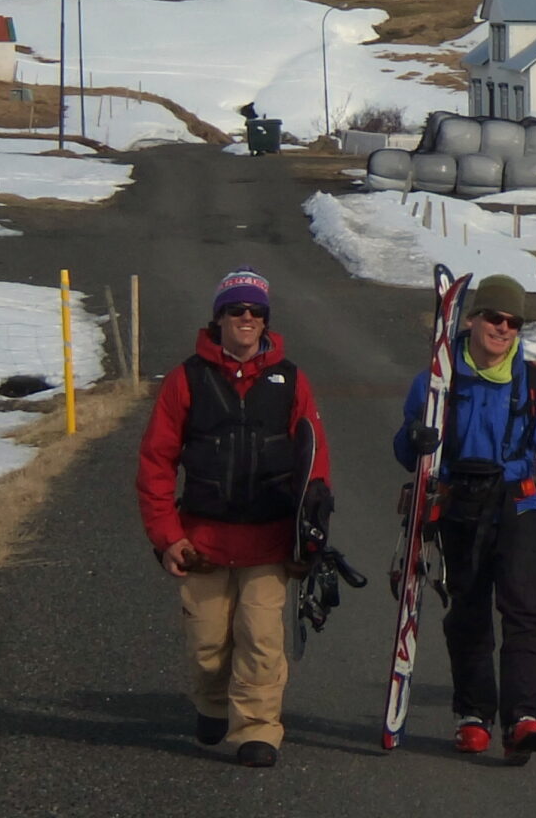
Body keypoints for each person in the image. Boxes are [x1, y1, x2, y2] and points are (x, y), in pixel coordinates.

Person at [136, 267, 331, 769]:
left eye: (256, 312)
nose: (246, 319)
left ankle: (257, 730)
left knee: (262, 641)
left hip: (269, 541)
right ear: (218, 317)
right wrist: (166, 536)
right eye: (236, 310)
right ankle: (212, 704)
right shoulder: (186, 379)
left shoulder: (292, 380)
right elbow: (157, 461)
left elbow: (315, 460)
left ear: (266, 321)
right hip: (202, 539)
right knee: (207, 643)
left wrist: (311, 530)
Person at [393, 273, 536, 766]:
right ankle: (473, 717)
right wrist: (414, 438)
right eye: (495, 317)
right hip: (457, 502)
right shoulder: (438, 379)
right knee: (469, 610)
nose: (503, 328)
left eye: (513, 322)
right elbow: (405, 448)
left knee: (524, 611)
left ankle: (522, 718)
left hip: (516, 503)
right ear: (473, 319)